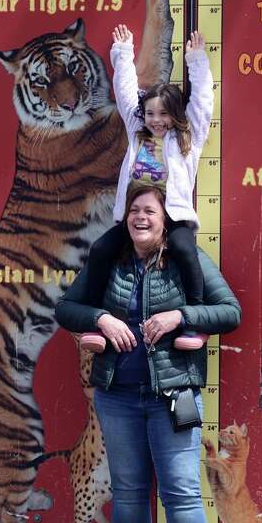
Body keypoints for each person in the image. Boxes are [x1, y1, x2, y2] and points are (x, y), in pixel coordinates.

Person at [56, 184, 241, 523]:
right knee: (131, 497)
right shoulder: (109, 262)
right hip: (117, 396)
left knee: (182, 495)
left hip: (173, 397)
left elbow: (230, 311)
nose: (141, 217)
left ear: (165, 220)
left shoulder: (186, 261)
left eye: (150, 212)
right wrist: (101, 318)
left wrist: (182, 316)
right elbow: (67, 308)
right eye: (135, 210)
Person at [78, 22, 215, 354]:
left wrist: (197, 61)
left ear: (175, 115)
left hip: (173, 217)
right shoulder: (138, 133)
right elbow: (127, 95)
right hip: (135, 218)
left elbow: (203, 104)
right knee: (100, 252)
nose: (156, 120)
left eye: (163, 114)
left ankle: (194, 323)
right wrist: (123, 55)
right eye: (151, 113)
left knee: (185, 253)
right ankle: (95, 320)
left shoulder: (187, 138)